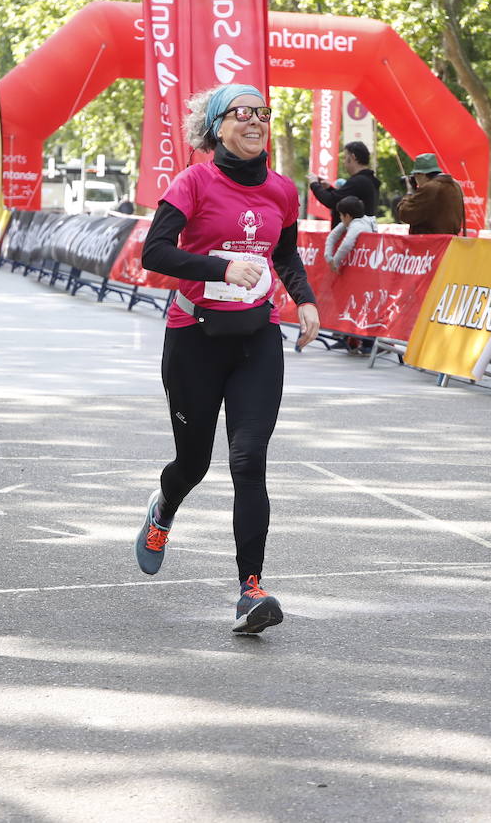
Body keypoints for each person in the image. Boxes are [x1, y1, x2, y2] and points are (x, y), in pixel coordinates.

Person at [135, 83, 320, 635]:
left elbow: (284, 251)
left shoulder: (283, 189)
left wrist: (305, 300)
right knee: (193, 464)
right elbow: (154, 253)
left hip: (255, 337)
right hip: (194, 335)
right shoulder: (193, 182)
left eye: (261, 113)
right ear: (218, 127)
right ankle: (163, 507)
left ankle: (251, 590)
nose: (254, 121)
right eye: (241, 114)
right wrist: (220, 268)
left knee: (248, 461)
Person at [307, 140, 380, 228]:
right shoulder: (369, 180)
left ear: (353, 157)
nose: (343, 162)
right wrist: (329, 188)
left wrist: (314, 184)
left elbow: (331, 201)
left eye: (345, 157)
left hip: (352, 237)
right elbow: (342, 199)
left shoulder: (358, 181)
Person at [395, 154, 464, 235]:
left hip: (430, 244)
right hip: (449, 243)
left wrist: (409, 193)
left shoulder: (430, 188)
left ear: (421, 174)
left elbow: (405, 214)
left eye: (415, 175)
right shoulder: (455, 186)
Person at [324, 195, 376, 272]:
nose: (340, 218)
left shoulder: (357, 226)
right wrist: (328, 257)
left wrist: (335, 263)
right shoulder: (352, 220)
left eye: (341, 215)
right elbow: (332, 236)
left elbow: (347, 244)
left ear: (347, 216)